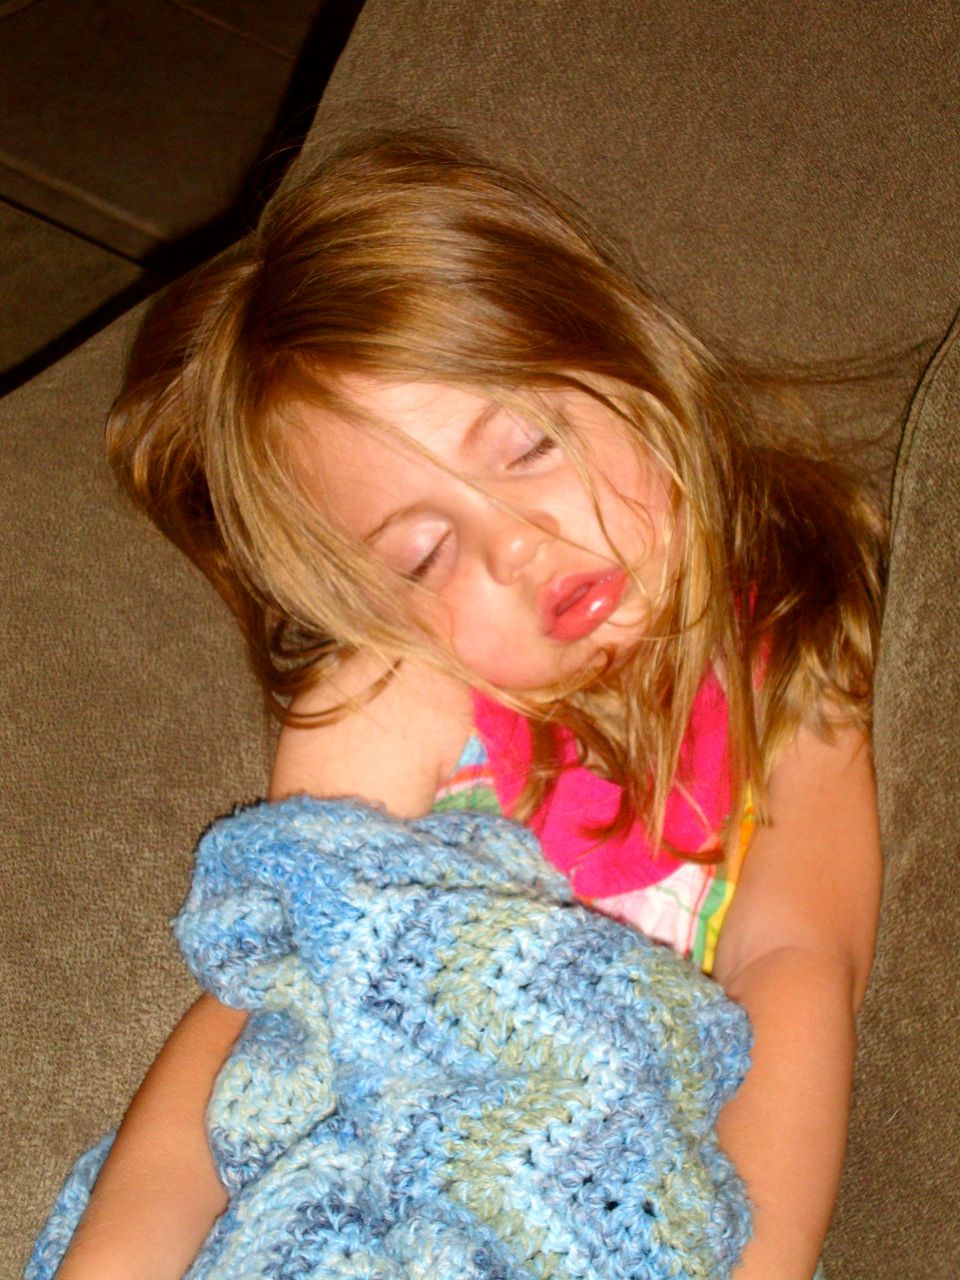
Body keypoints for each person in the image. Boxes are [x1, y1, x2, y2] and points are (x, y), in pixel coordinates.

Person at [53, 133, 883, 1280]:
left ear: (631, 364)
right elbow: (265, 1004)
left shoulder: (790, 659)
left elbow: (797, 963)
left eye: (531, 444)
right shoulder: (407, 698)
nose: (517, 543)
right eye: (427, 552)